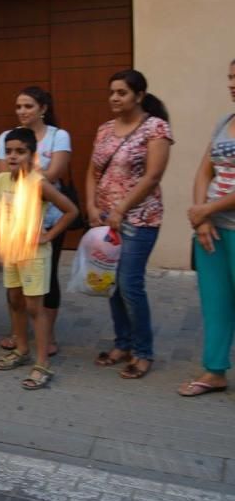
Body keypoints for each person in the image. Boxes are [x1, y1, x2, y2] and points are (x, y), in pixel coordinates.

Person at [87, 69, 171, 380]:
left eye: (121, 92)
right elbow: (92, 170)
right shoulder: (105, 129)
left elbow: (152, 176)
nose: (114, 98)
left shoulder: (155, 128)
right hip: (107, 220)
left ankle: (143, 351)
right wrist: (91, 205)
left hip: (141, 218)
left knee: (129, 285)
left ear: (139, 95)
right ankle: (122, 344)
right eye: (111, 92)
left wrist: (121, 207)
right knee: (111, 284)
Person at [0, 128, 78, 389]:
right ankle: (21, 350)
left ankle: (42, 363)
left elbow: (71, 211)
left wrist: (49, 235)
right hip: (11, 252)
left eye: (20, 151)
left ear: (32, 156)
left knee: (34, 307)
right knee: (15, 301)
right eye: (9, 151)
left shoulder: (38, 183)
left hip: (34, 255)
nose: (13, 156)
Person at [181, 60, 235, 397]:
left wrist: (207, 209)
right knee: (215, 302)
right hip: (212, 230)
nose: (232, 83)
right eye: (230, 76)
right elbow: (204, 171)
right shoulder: (224, 122)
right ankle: (215, 371)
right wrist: (201, 219)